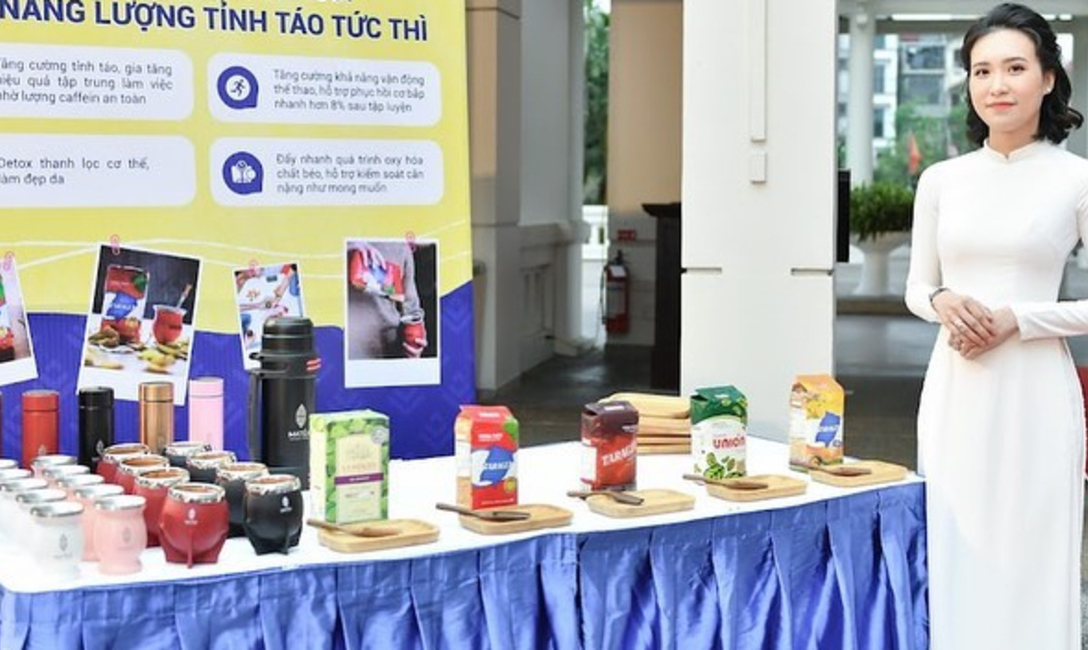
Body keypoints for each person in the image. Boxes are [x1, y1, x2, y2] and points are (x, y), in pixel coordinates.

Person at [904, 4, 1087, 648]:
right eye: (982, 70)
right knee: (955, 544)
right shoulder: (942, 180)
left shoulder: (1076, 179)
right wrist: (945, 301)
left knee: (1035, 555)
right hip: (956, 390)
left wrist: (1021, 318)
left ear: (1047, 78)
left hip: (1036, 390)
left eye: (1015, 67)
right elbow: (917, 287)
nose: (997, 85)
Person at [347, 240, 427, 359]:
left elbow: (411, 310)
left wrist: (416, 345)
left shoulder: (400, 247)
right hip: (344, 346)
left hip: (384, 348)